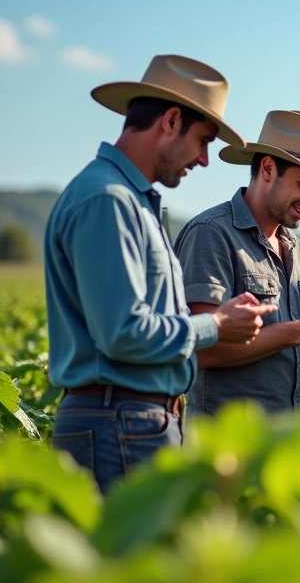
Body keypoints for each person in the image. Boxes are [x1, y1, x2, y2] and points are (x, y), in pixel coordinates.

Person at [45, 54, 276, 493]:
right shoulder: (108, 201)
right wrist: (217, 325)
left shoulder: (128, 201)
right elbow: (123, 332)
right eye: (203, 140)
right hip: (119, 421)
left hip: (132, 421)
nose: (206, 160)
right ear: (170, 121)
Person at [174, 110, 300, 416]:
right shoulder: (211, 233)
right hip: (229, 448)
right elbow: (200, 349)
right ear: (267, 168)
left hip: (286, 444)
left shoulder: (295, 248)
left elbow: (279, 352)